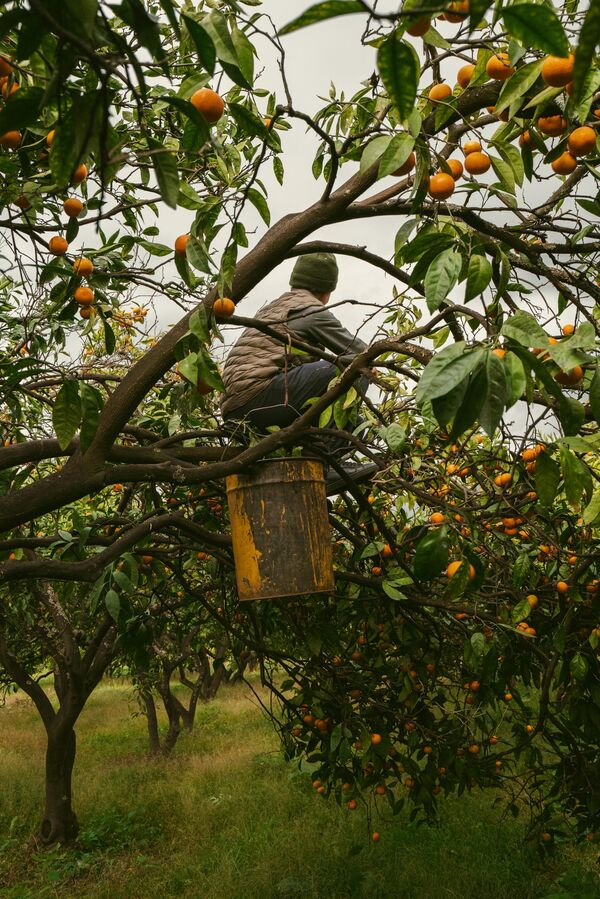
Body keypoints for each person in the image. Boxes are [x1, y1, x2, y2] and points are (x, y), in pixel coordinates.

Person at [220, 253, 377, 490]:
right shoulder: (309, 310)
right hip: (259, 395)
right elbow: (363, 355)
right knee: (356, 369)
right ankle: (323, 464)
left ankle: (312, 462)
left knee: (357, 425)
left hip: (238, 409)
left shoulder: (276, 307)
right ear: (327, 290)